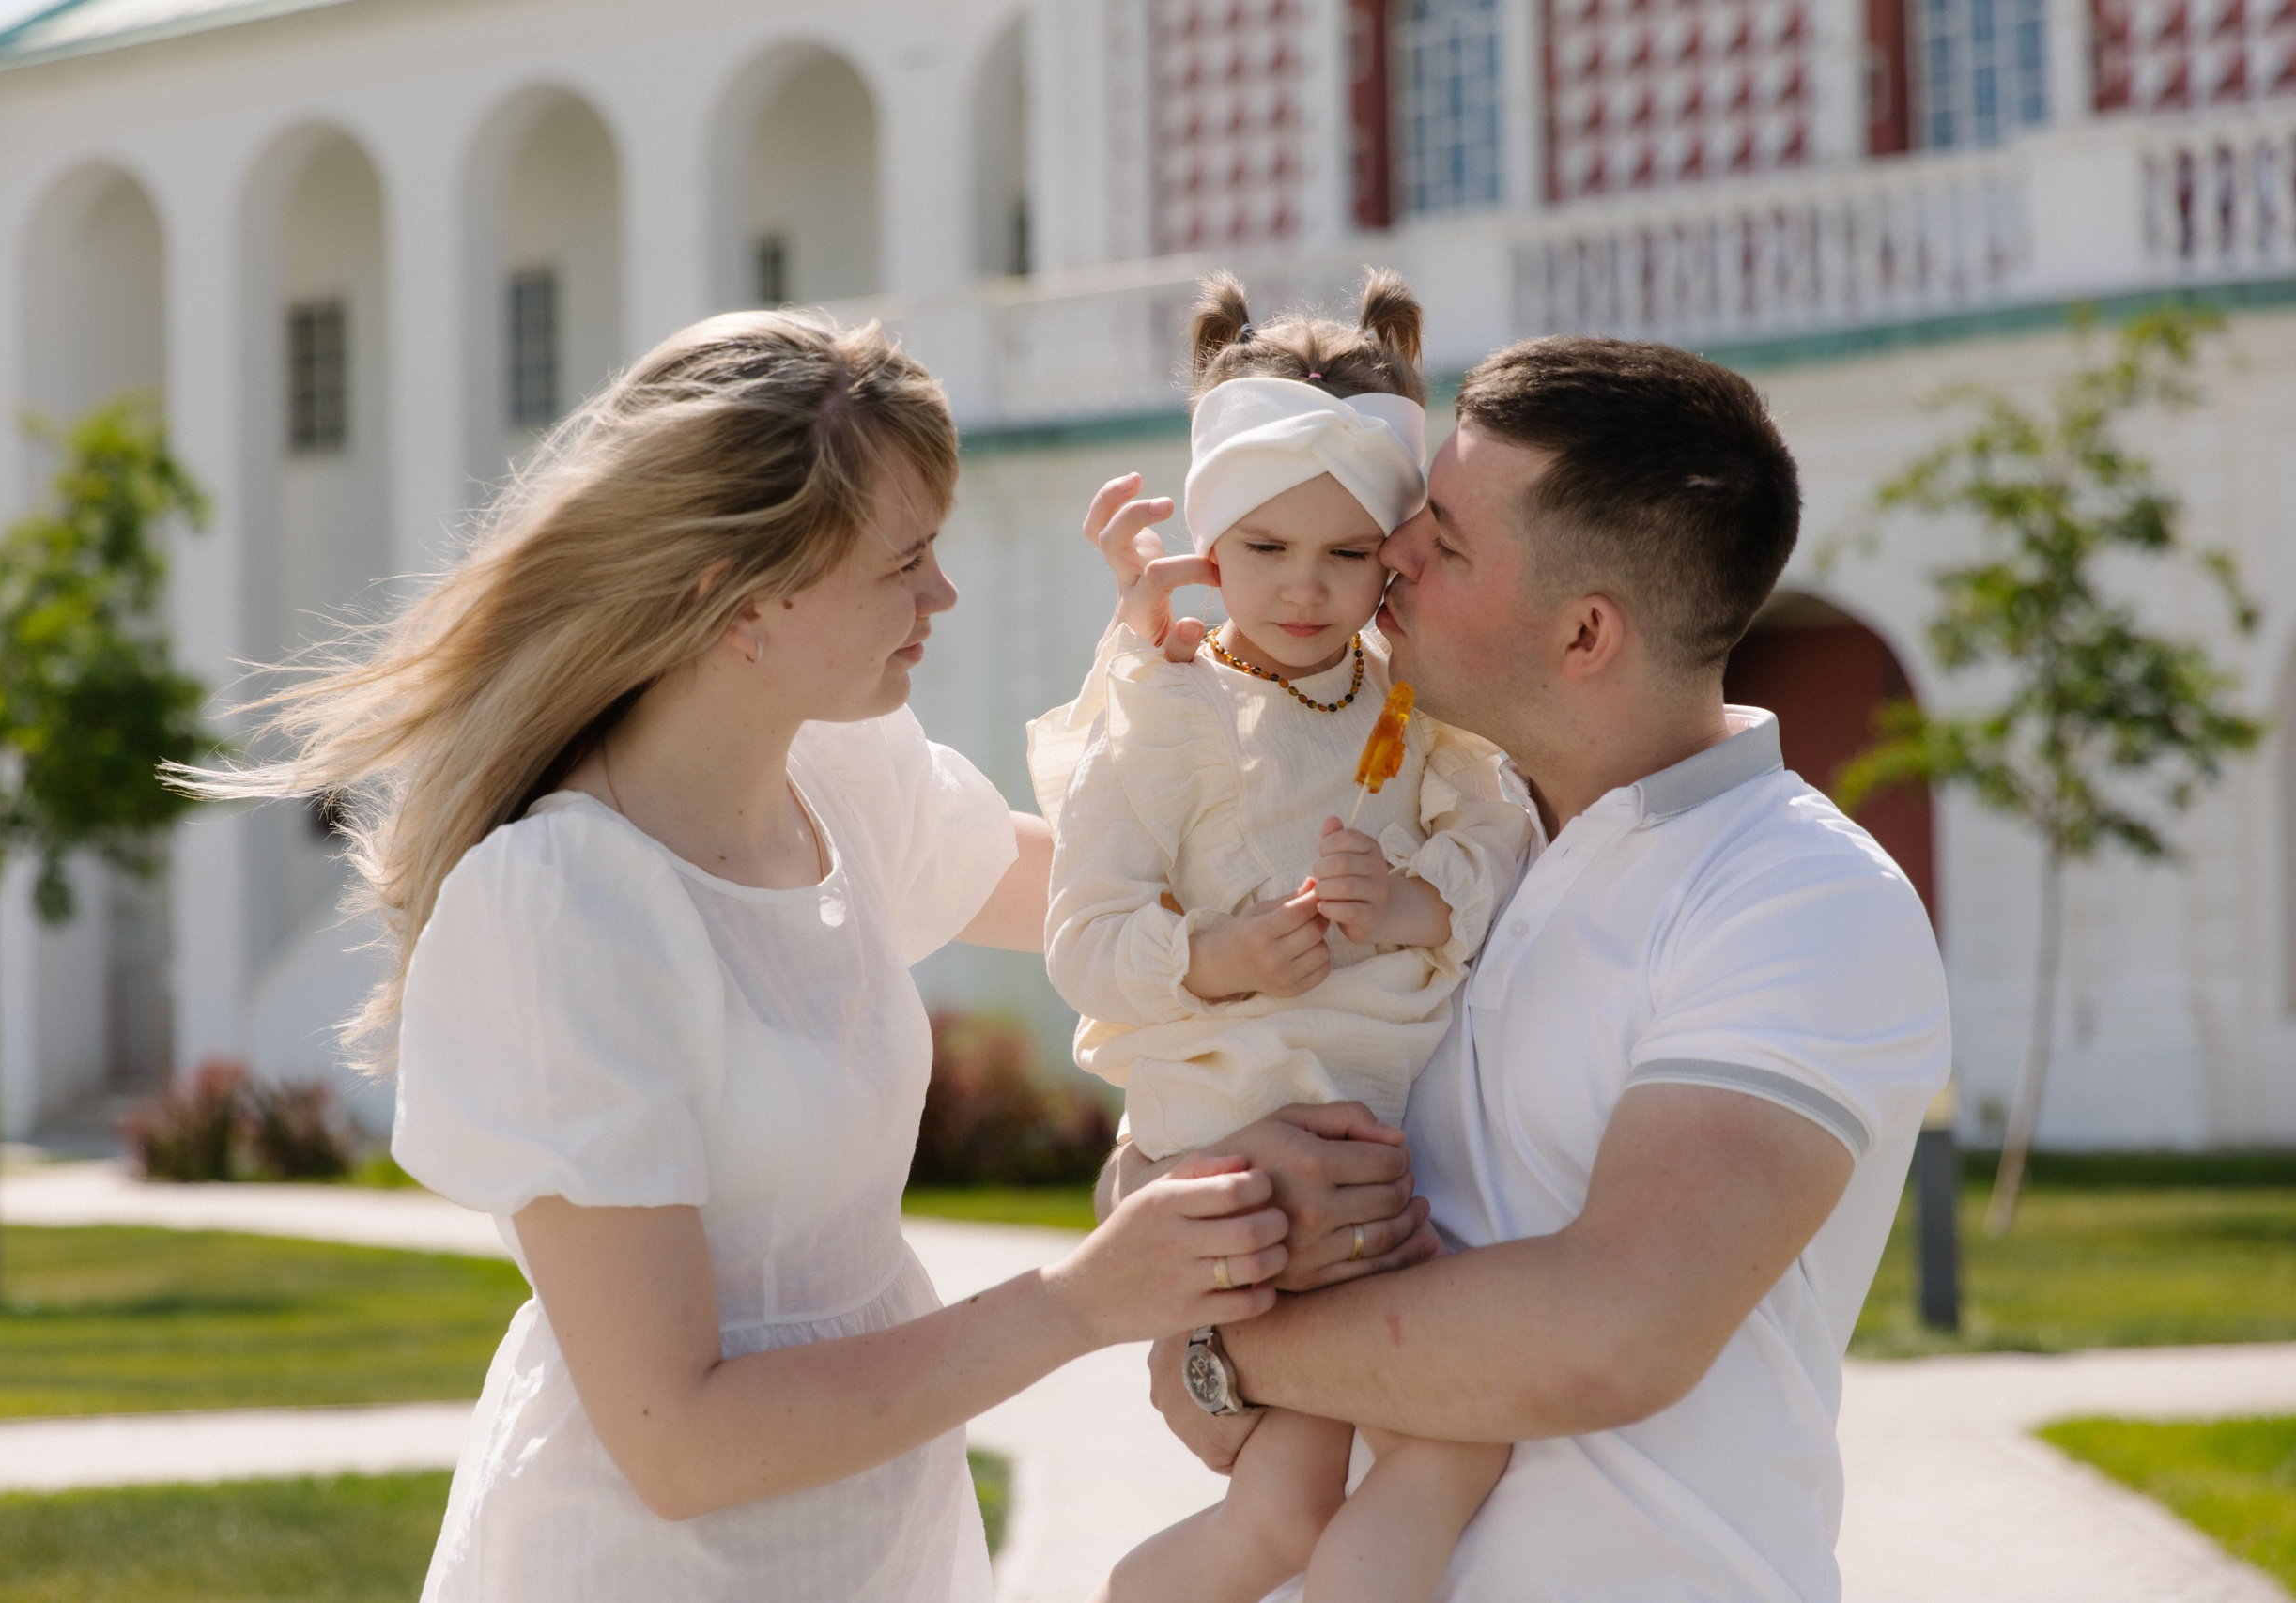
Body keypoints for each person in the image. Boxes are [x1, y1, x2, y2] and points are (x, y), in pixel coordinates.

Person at [177, 311, 1367, 1601]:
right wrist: (1084, 1300)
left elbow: (1121, 915)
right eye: (902, 563)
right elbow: (678, 1442)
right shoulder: (564, 903)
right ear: (736, 602)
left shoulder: (841, 778)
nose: (941, 596)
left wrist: (1324, 730)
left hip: (878, 1542)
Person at [1106, 337, 1951, 1600]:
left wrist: (1231, 1341)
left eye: (1441, 540)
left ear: (1586, 632)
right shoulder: (1438, 845)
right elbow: (1169, 1113)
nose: (1387, 551)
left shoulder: (1797, 897)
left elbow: (1612, 1332)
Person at [1027, 271, 1528, 1603]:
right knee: (1334, 1478)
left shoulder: (1416, 717)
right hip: (1226, 1146)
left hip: (1368, 1156)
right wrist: (1219, 958)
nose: (1305, 590)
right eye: (1264, 549)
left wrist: (1419, 903)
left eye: (1345, 554)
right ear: (1205, 543)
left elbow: (1500, 835)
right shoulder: (1164, 709)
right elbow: (1083, 931)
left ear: (1392, 552)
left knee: (1423, 1447)